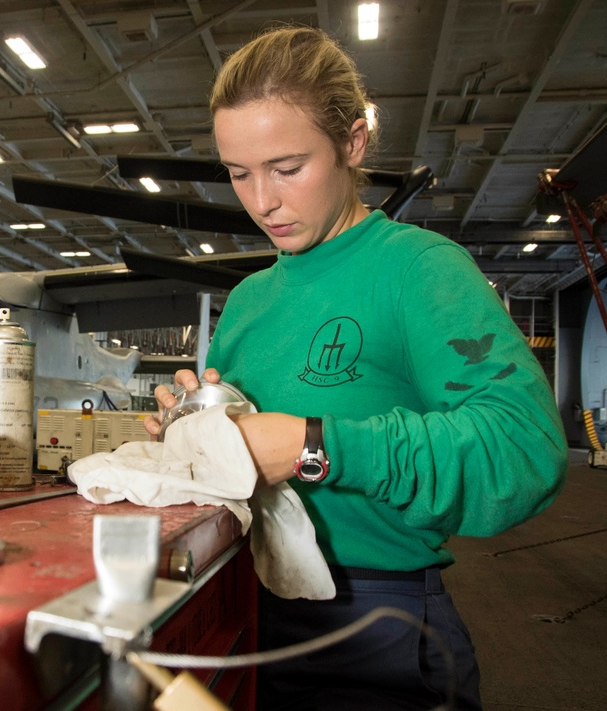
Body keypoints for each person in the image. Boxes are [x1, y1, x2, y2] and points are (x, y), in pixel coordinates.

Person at [145, 25, 568, 710]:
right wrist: (197, 433)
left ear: (353, 143)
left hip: (377, 629)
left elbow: (524, 451)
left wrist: (315, 445)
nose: (261, 201)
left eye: (287, 168)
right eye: (238, 172)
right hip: (247, 607)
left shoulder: (418, 270)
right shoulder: (251, 299)